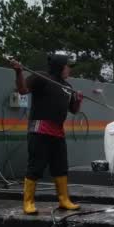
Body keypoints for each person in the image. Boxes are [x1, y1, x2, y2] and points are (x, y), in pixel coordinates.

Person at [12, 54, 83, 214]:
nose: (69, 69)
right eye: (67, 66)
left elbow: (73, 110)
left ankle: (64, 200)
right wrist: (18, 72)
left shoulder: (67, 86)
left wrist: (78, 99)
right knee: (36, 167)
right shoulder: (42, 77)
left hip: (58, 132)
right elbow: (22, 90)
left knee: (61, 167)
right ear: (59, 66)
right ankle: (28, 202)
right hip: (39, 129)